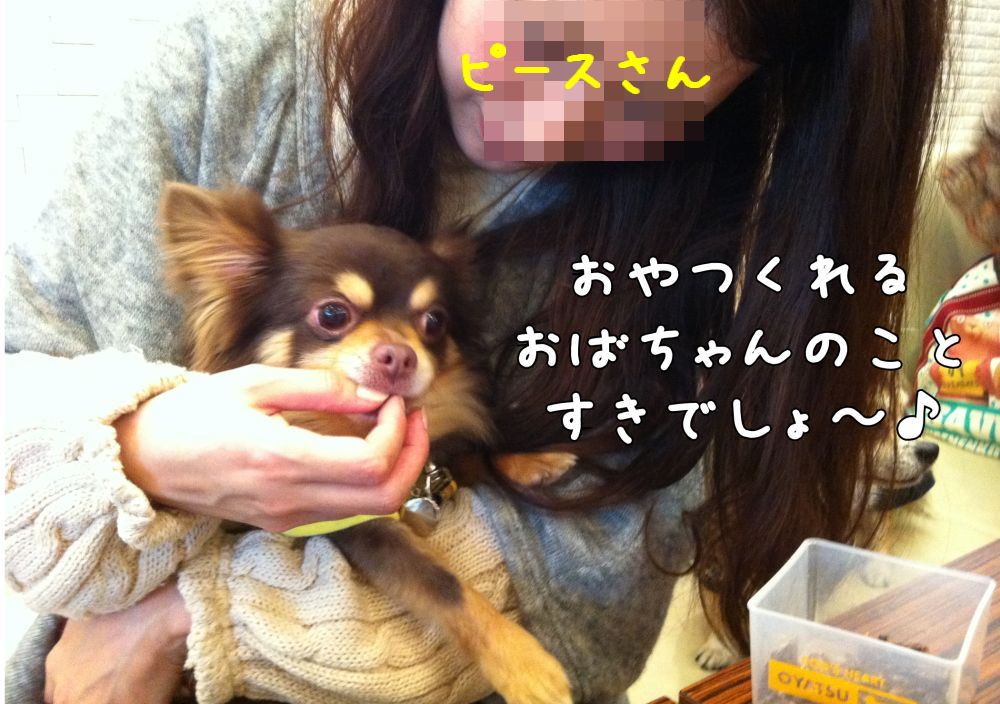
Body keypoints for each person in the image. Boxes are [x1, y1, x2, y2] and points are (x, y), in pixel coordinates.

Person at [4, 0, 948, 703]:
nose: (548, 126)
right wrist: (140, 448)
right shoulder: (222, 74)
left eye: (643, 96)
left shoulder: (700, 247)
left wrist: (191, 616)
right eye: (542, 42)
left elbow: (588, 601)